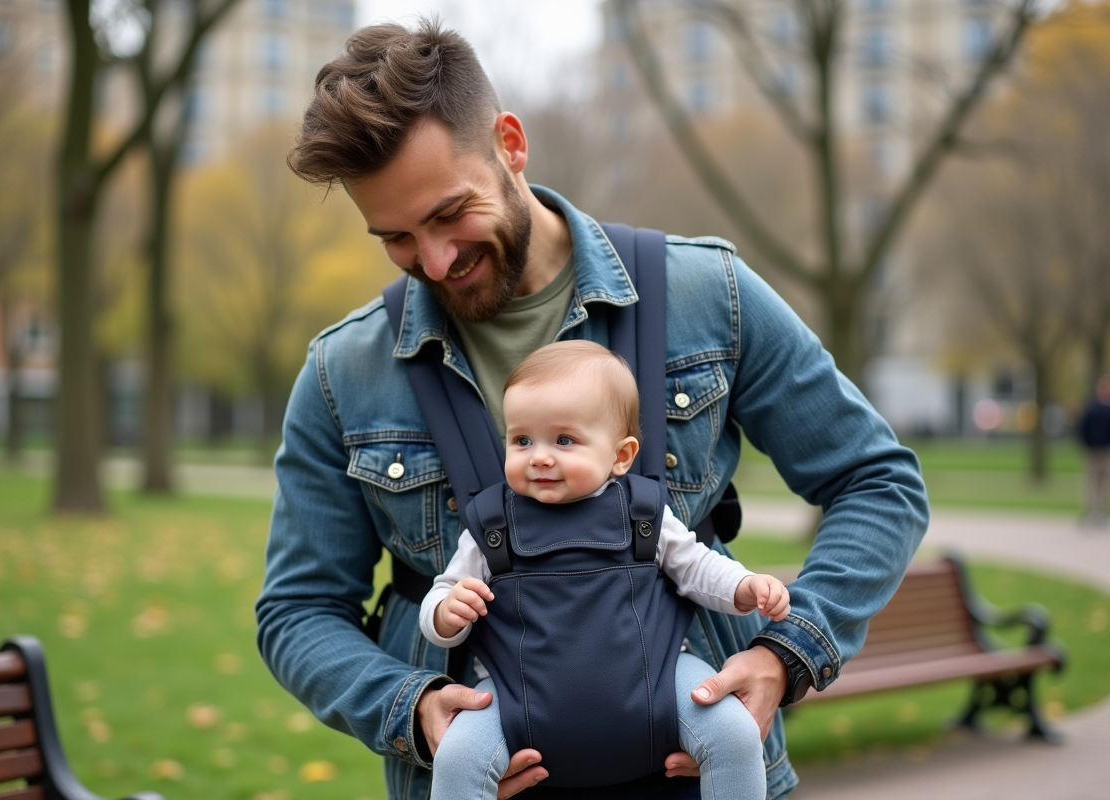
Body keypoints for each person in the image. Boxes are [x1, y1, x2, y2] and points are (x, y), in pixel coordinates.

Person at [255, 19, 929, 800]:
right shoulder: (342, 373)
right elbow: (298, 610)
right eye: (396, 238)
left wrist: (789, 651)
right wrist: (413, 709)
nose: (434, 261)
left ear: (510, 144)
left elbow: (878, 483)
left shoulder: (708, 295)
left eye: (448, 214)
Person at [423, 340, 789, 800]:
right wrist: (446, 612)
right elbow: (443, 593)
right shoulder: (492, 523)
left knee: (733, 732)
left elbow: (697, 567)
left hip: (659, 677)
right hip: (516, 695)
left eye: (564, 440)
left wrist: (744, 586)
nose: (539, 456)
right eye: (521, 440)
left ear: (621, 455)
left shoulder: (641, 512)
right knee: (457, 757)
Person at [1078, 376, 1110, 526]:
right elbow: (1083, 428)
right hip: (1095, 451)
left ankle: (1099, 512)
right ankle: (1092, 512)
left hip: (1104, 450)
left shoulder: (1093, 408)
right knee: (1093, 483)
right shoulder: (1092, 409)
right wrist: (1088, 444)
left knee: (1101, 483)